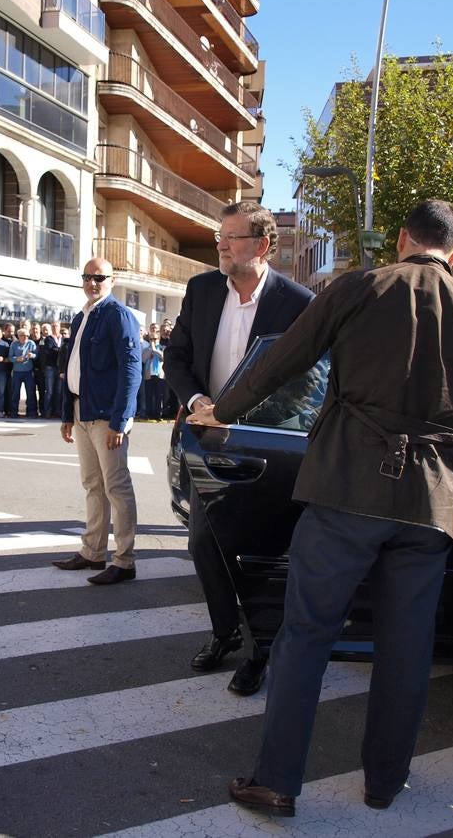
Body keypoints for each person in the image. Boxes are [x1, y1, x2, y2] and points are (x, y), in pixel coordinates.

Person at [188, 200, 453, 817]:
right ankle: (384, 783)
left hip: (346, 488)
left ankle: (276, 782)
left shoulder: (358, 289)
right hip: (433, 503)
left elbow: (283, 361)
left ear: (402, 239)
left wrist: (224, 409)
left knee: (305, 635)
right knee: (406, 649)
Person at [164, 201, 315, 696]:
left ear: (262, 245)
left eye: (231, 237)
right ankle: (225, 631)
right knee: (204, 543)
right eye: (220, 237)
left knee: (261, 550)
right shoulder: (202, 290)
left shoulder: (297, 302)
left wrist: (251, 413)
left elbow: (306, 382)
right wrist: (196, 400)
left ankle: (260, 651)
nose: (221, 246)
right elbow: (176, 357)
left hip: (266, 445)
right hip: (208, 441)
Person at [54, 257, 143, 586]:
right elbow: (71, 368)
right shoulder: (82, 316)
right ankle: (93, 551)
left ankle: (125, 560)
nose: (93, 282)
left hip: (107, 415)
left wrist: (121, 420)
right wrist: (68, 414)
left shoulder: (118, 315)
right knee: (93, 484)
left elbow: (131, 371)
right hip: (82, 410)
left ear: (112, 281)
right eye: (88, 277)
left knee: (116, 487)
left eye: (100, 278)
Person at [9, 327, 38, 417]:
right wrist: (17, 359)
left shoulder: (31, 343)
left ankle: (31, 412)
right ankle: (14, 412)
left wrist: (32, 355)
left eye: (27, 336)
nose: (25, 337)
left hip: (28, 371)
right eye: (22, 335)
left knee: (30, 392)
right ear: (18, 336)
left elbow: (36, 355)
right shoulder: (14, 344)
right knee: (15, 393)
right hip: (17, 372)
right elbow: (10, 357)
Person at [142, 322, 166, 421]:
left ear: (158, 338)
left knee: (159, 395)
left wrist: (154, 350)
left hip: (159, 374)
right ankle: (149, 413)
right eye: (151, 339)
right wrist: (150, 350)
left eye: (155, 339)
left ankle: (158, 414)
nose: (153, 341)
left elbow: (163, 357)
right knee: (149, 395)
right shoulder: (146, 349)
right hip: (149, 374)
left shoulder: (162, 348)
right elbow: (143, 359)